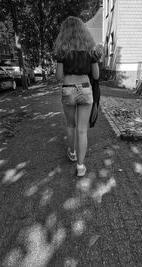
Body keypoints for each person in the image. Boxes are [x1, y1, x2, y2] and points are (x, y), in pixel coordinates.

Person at [54, 16, 100, 177]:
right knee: (82, 130)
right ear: (83, 31)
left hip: (68, 88)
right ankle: (80, 167)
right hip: (86, 88)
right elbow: (96, 75)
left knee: (71, 125)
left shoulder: (62, 51)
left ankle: (72, 152)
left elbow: (59, 77)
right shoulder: (90, 50)